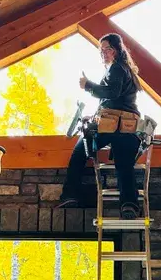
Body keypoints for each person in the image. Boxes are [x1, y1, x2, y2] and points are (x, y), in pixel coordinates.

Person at [58, 33, 142, 219]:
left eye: (108, 49)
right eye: (101, 49)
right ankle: (129, 205)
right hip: (128, 127)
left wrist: (88, 85)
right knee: (124, 165)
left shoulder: (116, 69)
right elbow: (116, 98)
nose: (103, 53)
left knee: (79, 151)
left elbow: (112, 92)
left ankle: (70, 195)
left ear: (117, 50)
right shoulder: (124, 69)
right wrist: (97, 113)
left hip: (111, 125)